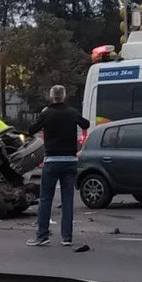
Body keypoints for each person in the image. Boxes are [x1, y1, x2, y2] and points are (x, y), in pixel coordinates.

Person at [26, 85, 90, 247]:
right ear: (64, 96)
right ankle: (66, 237)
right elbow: (86, 124)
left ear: (51, 96)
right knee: (68, 200)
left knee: (46, 199)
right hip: (70, 161)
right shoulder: (72, 112)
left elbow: (31, 129)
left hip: (52, 161)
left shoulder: (47, 114)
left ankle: (42, 235)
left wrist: (43, 116)